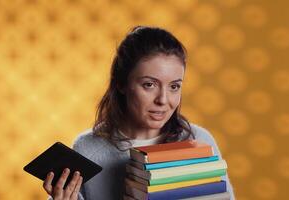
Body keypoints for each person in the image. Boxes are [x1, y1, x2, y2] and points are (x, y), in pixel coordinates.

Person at [43, 26, 235, 200]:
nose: (163, 100)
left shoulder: (199, 141)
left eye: (174, 86)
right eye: (149, 85)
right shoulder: (88, 148)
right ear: (121, 83)